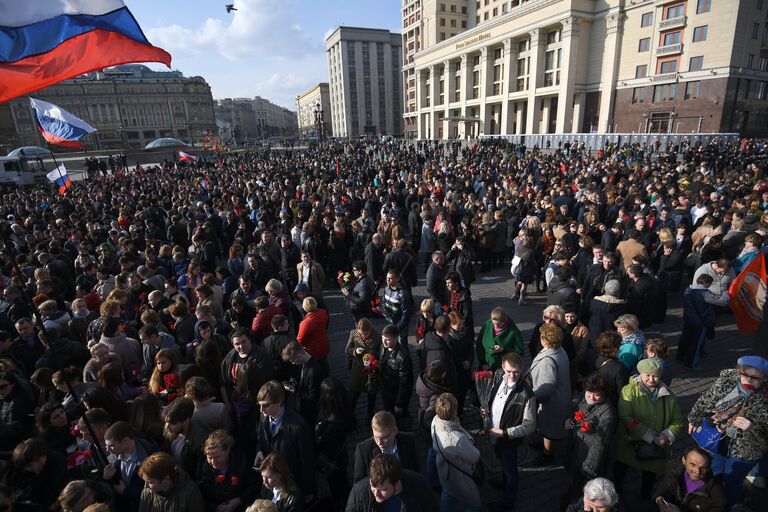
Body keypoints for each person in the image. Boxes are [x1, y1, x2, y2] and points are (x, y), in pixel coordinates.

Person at [687, 355, 768, 506]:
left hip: (747, 448)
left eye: (755, 378)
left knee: (732, 480)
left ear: (764, 378)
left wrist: (752, 428)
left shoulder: (765, 399)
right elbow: (707, 398)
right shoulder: (728, 380)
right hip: (718, 437)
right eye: (745, 375)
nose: (749, 380)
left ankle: (728, 506)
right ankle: (713, 502)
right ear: (739, 372)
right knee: (715, 473)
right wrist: (694, 417)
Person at [613, 358, 684, 500]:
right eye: (648, 375)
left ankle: (645, 497)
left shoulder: (670, 397)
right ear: (640, 374)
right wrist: (650, 436)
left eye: (655, 376)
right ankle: (616, 492)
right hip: (630, 443)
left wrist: (666, 435)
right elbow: (626, 417)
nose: (651, 379)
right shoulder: (629, 391)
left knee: (649, 475)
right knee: (621, 468)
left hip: (657, 445)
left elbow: (677, 421)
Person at [486, 352, 536, 512]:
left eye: (516, 372)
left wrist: (505, 433)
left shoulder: (527, 394)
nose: (512, 375)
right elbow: (493, 398)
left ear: (522, 370)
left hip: (508, 439)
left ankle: (508, 502)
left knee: (511, 471)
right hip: (494, 434)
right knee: (501, 461)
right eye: (508, 371)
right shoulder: (498, 376)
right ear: (502, 368)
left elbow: (529, 426)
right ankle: (503, 481)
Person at [253, 381, 316, 499]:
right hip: (273, 480)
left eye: (266, 405)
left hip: (291, 483)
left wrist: (307, 491)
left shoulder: (298, 426)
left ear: (280, 402)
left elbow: (307, 462)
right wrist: (259, 451)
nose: (261, 410)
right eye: (259, 405)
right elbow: (261, 437)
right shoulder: (264, 416)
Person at [564, 373, 617, 500]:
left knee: (582, 487)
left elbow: (601, 444)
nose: (591, 397)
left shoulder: (607, 414)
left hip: (588, 454)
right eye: (589, 392)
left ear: (604, 394)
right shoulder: (584, 397)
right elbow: (576, 411)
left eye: (596, 394)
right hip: (576, 447)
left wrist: (589, 467)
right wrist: (569, 420)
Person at [530, 323, 571, 466]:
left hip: (552, 401)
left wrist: (531, 396)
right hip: (562, 396)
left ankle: (547, 453)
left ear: (544, 340)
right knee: (548, 427)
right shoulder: (559, 350)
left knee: (548, 429)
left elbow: (547, 388)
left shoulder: (548, 360)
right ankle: (545, 447)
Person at [431, 392, 480, 512]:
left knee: (447, 492)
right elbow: (475, 456)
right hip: (458, 475)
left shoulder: (435, 420)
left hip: (444, 470)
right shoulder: (456, 439)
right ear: (454, 412)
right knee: (474, 503)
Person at [346, 453, 436, 512]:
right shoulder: (358, 494)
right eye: (373, 487)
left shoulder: (420, 486)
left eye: (383, 489)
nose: (376, 494)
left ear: (396, 484)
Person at [314, 378, 353, 510]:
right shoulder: (341, 409)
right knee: (341, 480)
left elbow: (322, 441)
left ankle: (343, 504)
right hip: (339, 455)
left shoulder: (335, 421)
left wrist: (319, 432)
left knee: (337, 483)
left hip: (333, 458)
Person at [198, 429, 258, 512]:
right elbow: (201, 493)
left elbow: (254, 486)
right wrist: (215, 507)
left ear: (227, 450)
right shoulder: (204, 467)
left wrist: (239, 500)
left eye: (217, 457)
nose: (213, 462)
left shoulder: (242, 462)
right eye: (210, 458)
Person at [103, 421, 156, 512]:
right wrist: (107, 479)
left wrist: (126, 491)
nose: (107, 450)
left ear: (125, 441)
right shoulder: (115, 456)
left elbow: (155, 491)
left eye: (111, 445)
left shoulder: (151, 457)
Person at [652, 447, 727, 512]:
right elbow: (661, 490)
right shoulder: (673, 470)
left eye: (702, 468)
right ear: (684, 461)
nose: (697, 472)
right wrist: (659, 501)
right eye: (693, 464)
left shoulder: (717, 496)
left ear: (708, 469)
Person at [352, 411, 418, 482]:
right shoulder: (363, 450)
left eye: (384, 437)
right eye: (376, 437)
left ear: (395, 431)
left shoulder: (409, 440)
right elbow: (359, 483)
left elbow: (415, 470)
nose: (379, 442)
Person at [138, 452, 204, 512]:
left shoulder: (190, 492)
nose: (145, 486)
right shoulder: (146, 493)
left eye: (150, 482)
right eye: (145, 481)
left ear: (166, 478)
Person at [678, 274, 718, 369]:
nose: (710, 286)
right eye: (709, 283)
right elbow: (721, 301)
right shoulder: (705, 294)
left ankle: (680, 356)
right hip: (700, 322)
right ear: (705, 283)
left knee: (685, 338)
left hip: (688, 319)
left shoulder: (688, 290)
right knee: (696, 343)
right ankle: (690, 364)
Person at [345, 318, 381, 421]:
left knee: (371, 395)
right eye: (362, 334)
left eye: (366, 333)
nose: (364, 336)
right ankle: (350, 417)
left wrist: (373, 356)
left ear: (370, 329)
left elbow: (381, 352)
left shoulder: (377, 336)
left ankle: (369, 415)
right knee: (353, 395)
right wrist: (355, 351)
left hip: (371, 370)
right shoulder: (353, 333)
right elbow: (347, 349)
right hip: (357, 368)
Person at [162, 397, 208, 477]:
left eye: (173, 423)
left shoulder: (200, 441)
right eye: (166, 423)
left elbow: (198, 471)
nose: (167, 427)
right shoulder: (169, 430)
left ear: (186, 421)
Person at [281, 341, 322, 425]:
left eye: (293, 360)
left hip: (310, 411)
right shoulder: (304, 362)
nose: (293, 363)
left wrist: (294, 390)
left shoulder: (314, 371)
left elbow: (312, 398)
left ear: (299, 356)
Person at [295, 296, 330, 376]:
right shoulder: (323, 313)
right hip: (324, 343)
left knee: (315, 368)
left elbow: (300, 340)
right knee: (324, 362)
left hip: (313, 349)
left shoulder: (306, 323)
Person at [379, 271, 412, 350]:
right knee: (392, 345)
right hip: (390, 321)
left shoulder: (403, 294)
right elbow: (383, 301)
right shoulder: (386, 288)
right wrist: (383, 310)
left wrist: (398, 327)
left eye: (390, 278)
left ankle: (406, 361)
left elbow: (406, 314)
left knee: (402, 346)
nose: (387, 280)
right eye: (387, 278)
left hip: (400, 325)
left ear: (397, 279)